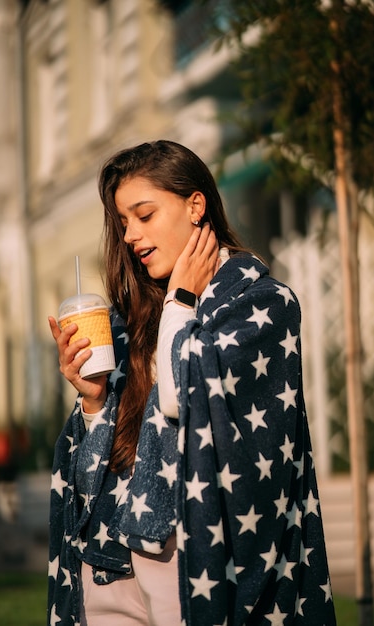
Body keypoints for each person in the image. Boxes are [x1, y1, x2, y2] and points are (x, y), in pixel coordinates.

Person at [47, 140, 337, 626]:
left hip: (193, 562)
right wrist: (94, 402)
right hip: (108, 563)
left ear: (195, 205)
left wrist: (180, 302)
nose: (131, 236)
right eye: (123, 222)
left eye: (144, 215)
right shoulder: (130, 320)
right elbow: (91, 473)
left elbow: (182, 398)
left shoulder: (262, 305)